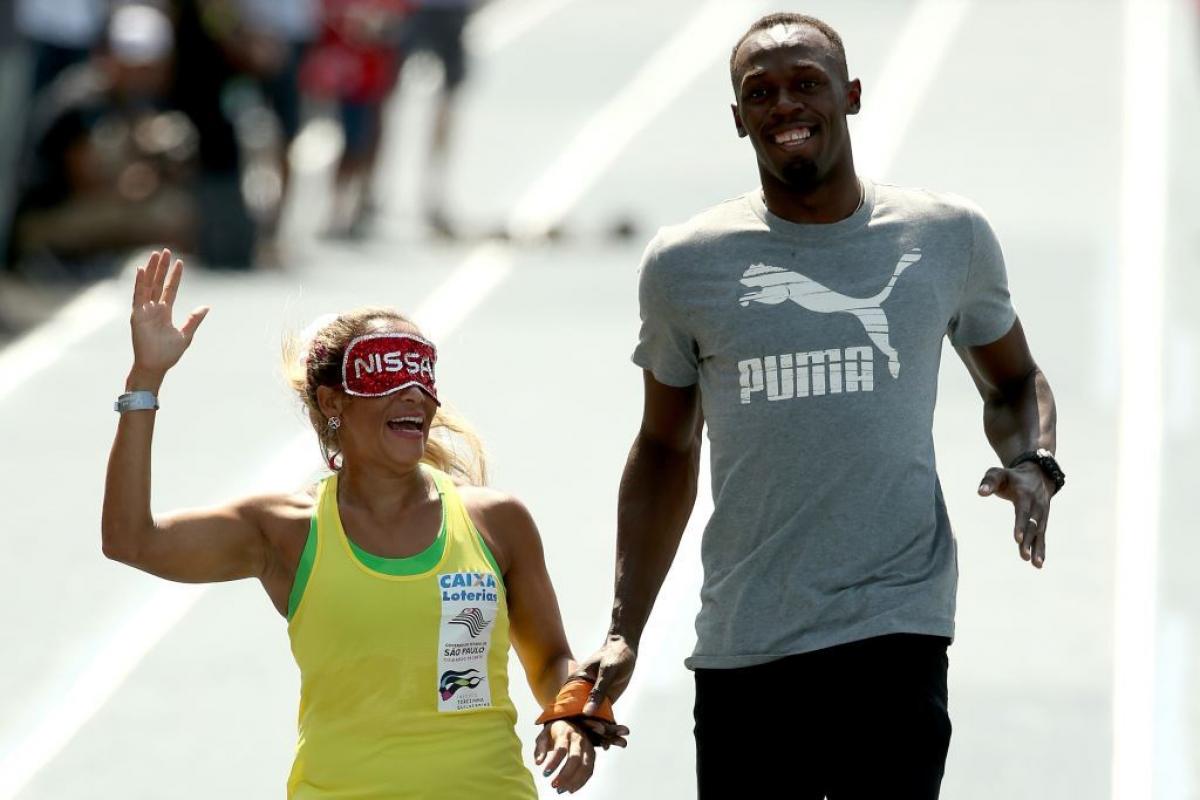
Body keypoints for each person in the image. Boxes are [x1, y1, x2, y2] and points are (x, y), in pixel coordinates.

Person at [575, 12, 1063, 799]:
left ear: (851, 97)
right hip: (746, 639)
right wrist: (623, 629)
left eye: (807, 84)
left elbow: (1012, 380)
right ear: (739, 119)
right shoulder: (686, 265)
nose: (784, 104)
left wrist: (1032, 461)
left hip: (896, 626)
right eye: (759, 92)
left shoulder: (946, 236)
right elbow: (665, 447)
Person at [102, 248, 626, 797]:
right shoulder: (284, 531)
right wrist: (145, 380)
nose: (415, 394)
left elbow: (549, 658)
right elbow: (130, 540)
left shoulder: (498, 522)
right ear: (333, 402)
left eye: (422, 375)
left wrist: (570, 710)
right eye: (386, 376)